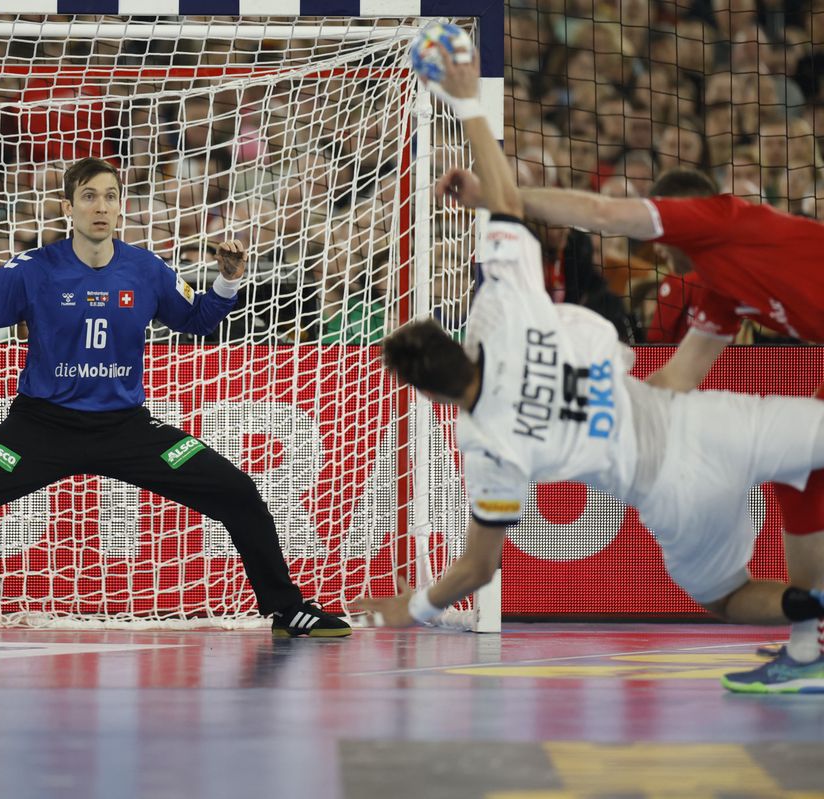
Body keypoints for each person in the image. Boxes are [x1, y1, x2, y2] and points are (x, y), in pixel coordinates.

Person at [353, 45, 824, 694]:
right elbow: (513, 211)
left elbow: (476, 568)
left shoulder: (485, 444)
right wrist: (466, 102)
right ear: (453, 334)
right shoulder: (506, 310)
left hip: (670, 492)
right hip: (712, 422)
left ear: (427, 392)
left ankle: (812, 619)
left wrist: (413, 608)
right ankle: (812, 643)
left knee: (726, 596)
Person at [0, 157, 350, 640]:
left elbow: (197, 320)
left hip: (127, 430)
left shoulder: (146, 269)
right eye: (89, 195)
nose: (101, 206)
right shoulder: (34, 271)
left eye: (111, 196)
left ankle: (286, 609)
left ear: (123, 207)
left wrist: (227, 283)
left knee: (238, 491)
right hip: (39, 429)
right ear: (68, 207)